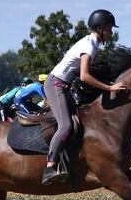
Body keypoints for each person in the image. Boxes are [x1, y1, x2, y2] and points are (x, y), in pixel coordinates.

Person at [43, 9, 126, 185]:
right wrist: (110, 87)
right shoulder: (90, 45)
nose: (111, 33)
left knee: (79, 120)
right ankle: (50, 167)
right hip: (56, 84)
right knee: (65, 125)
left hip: (64, 86)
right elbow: (85, 76)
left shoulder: (92, 43)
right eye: (110, 29)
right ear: (101, 28)